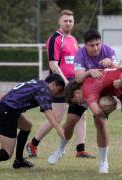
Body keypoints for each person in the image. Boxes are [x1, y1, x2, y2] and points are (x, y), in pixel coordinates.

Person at [26, 9, 94, 159]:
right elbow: (53, 65)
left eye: (70, 21)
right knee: (56, 117)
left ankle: (80, 149)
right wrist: (65, 82)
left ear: (73, 22)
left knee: (81, 115)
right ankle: (33, 144)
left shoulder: (74, 39)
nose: (68, 23)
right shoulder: (55, 39)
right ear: (59, 21)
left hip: (74, 82)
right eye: (65, 20)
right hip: (60, 84)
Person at [47, 29, 118, 173]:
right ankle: (61, 149)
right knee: (70, 121)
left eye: (98, 44)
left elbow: (116, 72)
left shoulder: (108, 50)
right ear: (85, 45)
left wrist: (111, 64)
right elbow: (78, 78)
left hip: (102, 93)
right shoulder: (80, 53)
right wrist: (89, 72)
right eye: (92, 45)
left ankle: (103, 162)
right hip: (82, 92)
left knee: (101, 124)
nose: (96, 48)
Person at [0, 74, 66, 172]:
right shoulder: (44, 89)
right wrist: (58, 128)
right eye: (59, 89)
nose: (57, 93)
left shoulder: (39, 83)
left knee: (27, 126)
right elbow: (48, 111)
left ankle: (19, 160)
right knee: (6, 153)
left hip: (7, 109)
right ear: (52, 84)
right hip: (7, 112)